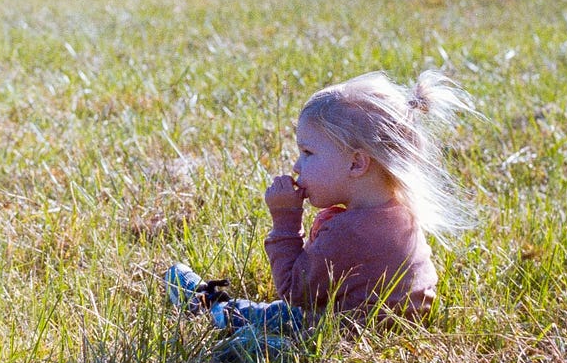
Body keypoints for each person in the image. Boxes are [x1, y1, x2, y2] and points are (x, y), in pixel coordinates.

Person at [167, 69, 475, 345]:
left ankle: (215, 312)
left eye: (308, 152)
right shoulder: (399, 212)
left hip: (337, 336)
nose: (296, 165)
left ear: (356, 163)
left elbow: (293, 291)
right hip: (393, 333)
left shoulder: (348, 232)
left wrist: (285, 220)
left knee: (280, 318)